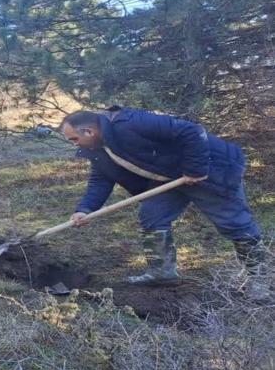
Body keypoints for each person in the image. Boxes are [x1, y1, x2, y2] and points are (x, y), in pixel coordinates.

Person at [61, 107, 269, 298]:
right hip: (170, 178)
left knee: (234, 224)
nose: (74, 144)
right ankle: (162, 272)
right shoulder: (97, 150)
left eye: (74, 139)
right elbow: (101, 180)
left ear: (89, 131)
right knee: (152, 215)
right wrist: (85, 209)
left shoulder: (131, 123)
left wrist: (195, 170)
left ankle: (260, 279)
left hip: (212, 171)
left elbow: (193, 131)